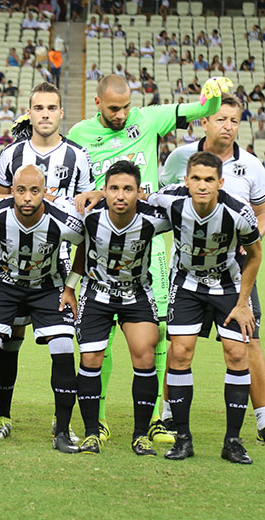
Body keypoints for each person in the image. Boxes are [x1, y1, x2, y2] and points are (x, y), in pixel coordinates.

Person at [67, 74, 231, 444]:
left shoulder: (150, 118)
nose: (122, 115)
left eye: (126, 107)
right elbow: (71, 183)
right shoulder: (79, 134)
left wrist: (212, 93)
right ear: (97, 104)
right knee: (98, 339)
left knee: (156, 333)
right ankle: (102, 419)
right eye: (114, 109)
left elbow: (204, 110)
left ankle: (156, 418)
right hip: (102, 242)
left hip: (150, 244)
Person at [159, 94, 265, 446]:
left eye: (234, 120)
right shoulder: (178, 158)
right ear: (204, 121)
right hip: (186, 272)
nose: (228, 126)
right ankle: (168, 415)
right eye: (221, 119)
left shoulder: (251, 165)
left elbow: (262, 214)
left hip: (234, 273)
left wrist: (249, 238)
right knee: (179, 346)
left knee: (247, 344)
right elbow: (163, 202)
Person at [0, 82, 93, 440]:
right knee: (6, 340)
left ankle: (62, 424)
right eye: (38, 108)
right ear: (29, 113)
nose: (45, 114)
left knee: (63, 346)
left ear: (61, 113)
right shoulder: (11, 155)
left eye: (51, 108)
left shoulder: (77, 156)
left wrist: (73, 283)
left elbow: (85, 211)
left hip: (58, 269)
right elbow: (0, 207)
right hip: (12, 265)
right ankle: (2, 417)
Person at [151, 152, 262, 464]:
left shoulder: (238, 212)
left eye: (209, 180)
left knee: (238, 354)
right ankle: (183, 439)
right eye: (196, 179)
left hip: (228, 287)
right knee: (181, 354)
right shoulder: (170, 199)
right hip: (186, 286)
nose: (202, 185)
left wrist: (243, 303)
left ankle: (233, 442)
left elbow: (255, 254)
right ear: (185, 180)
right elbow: (138, 199)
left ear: (220, 183)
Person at [0, 164, 85, 452]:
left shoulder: (63, 222)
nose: (28, 198)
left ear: (45, 192)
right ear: (12, 191)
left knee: (64, 352)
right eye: (21, 191)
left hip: (48, 286)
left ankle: (62, 430)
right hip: (4, 285)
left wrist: (71, 286)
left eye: (35, 191)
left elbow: (85, 243)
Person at [65, 161, 172, 455]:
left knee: (145, 356)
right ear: (105, 190)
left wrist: (155, 197)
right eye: (113, 188)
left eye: (128, 189)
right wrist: (70, 286)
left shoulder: (154, 219)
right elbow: (81, 249)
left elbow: (186, 205)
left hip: (136, 294)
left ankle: (140, 435)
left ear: (139, 192)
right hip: (96, 294)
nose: (120, 195)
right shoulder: (89, 217)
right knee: (90, 359)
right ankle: (91, 433)